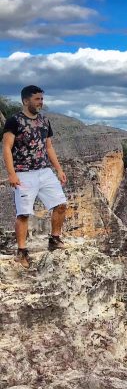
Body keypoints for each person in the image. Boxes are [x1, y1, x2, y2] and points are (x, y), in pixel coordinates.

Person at [2, 85, 68, 269]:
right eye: (37, 99)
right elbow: (7, 147)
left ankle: (54, 238)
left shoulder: (44, 121)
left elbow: (49, 147)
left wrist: (58, 169)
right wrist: (12, 173)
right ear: (25, 101)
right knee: (23, 214)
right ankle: (21, 251)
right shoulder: (14, 121)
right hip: (23, 173)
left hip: (44, 171)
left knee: (61, 205)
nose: (41, 102)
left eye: (42, 99)